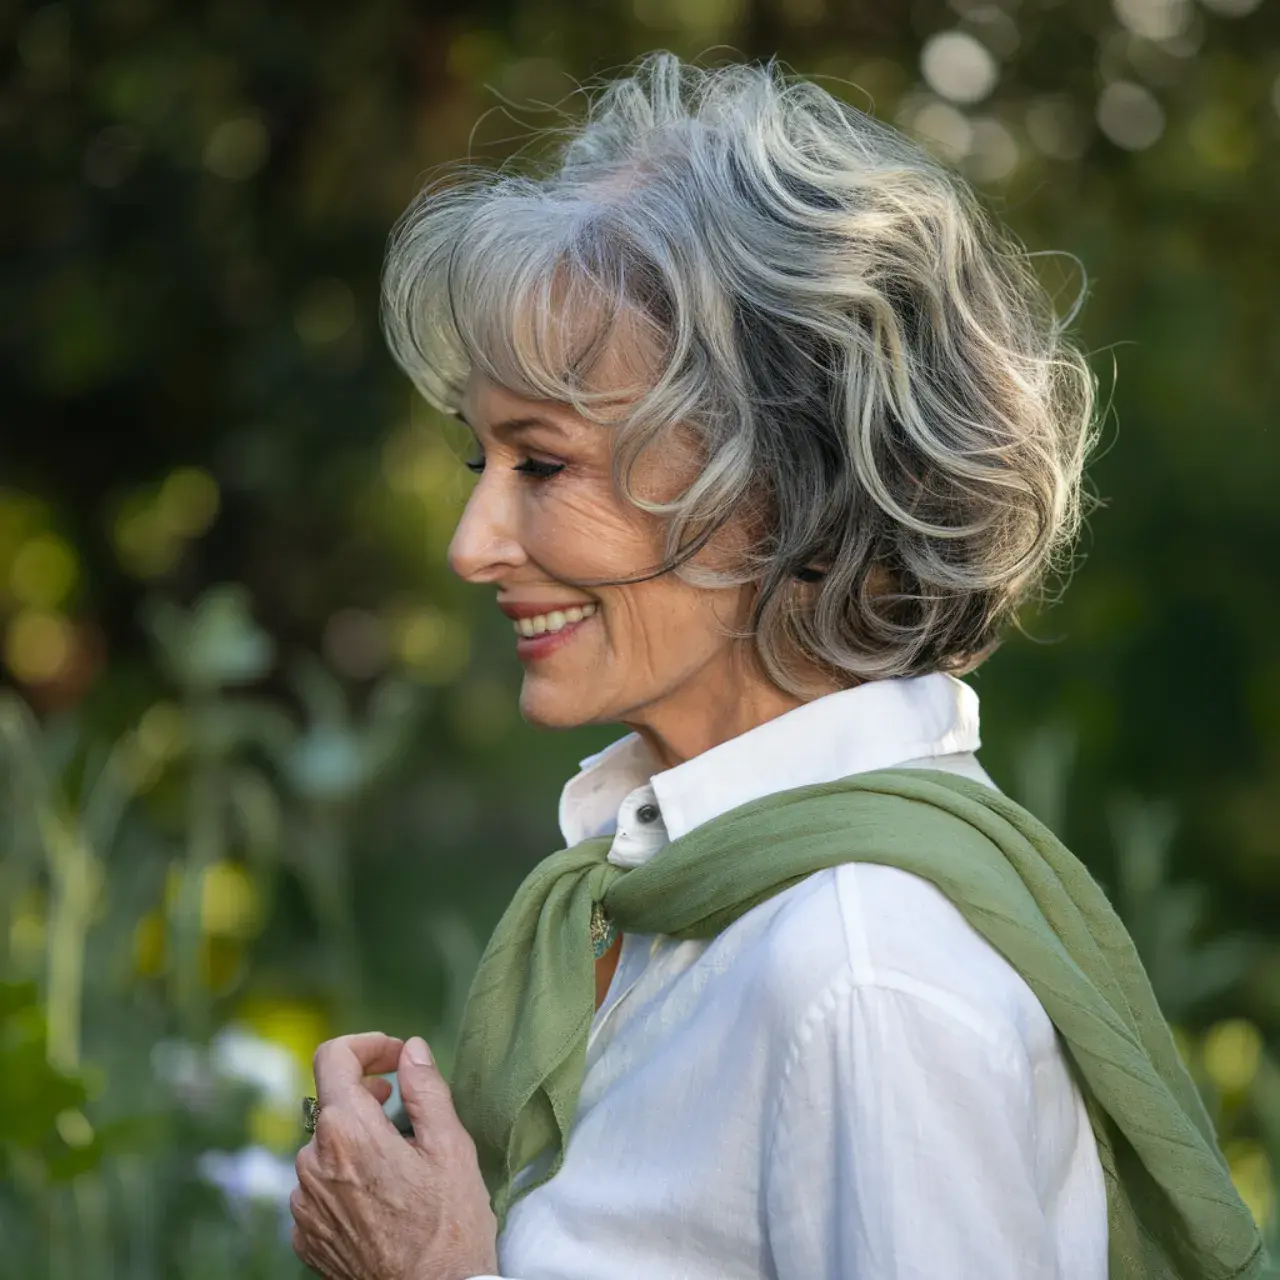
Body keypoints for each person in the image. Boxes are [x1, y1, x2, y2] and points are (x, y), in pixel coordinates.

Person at [287, 54, 1265, 1280]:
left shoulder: (860, 968)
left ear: (770, 488)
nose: (471, 544)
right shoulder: (709, 892)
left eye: (540, 464)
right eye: (473, 464)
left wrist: (429, 1269)